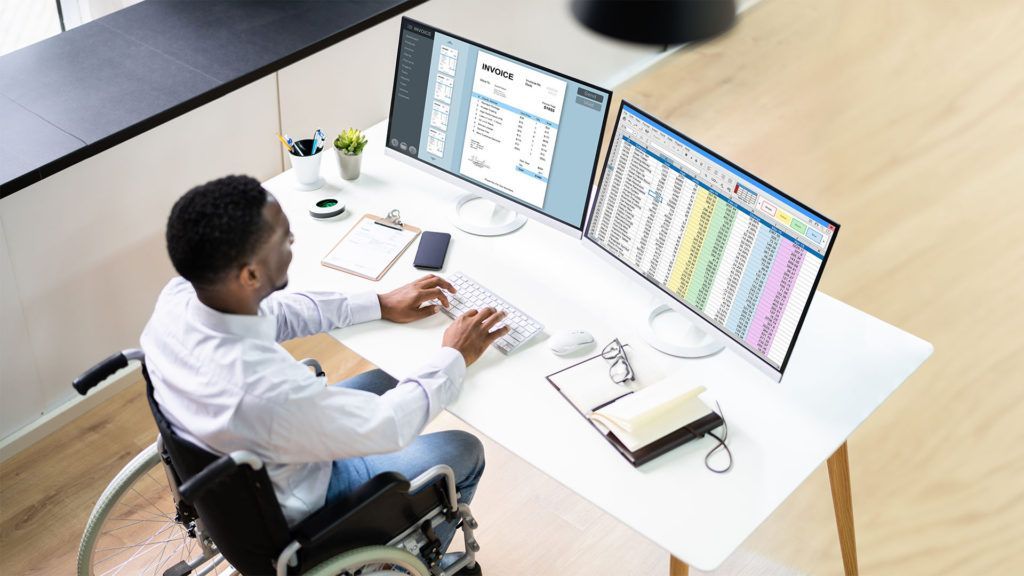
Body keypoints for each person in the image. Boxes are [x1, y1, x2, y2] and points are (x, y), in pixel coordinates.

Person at [140, 175, 507, 573]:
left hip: (247, 472)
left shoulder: (179, 300)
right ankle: (409, 562)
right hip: (310, 502)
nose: (292, 240)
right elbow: (387, 427)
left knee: (392, 376)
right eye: (283, 237)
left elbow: (277, 311)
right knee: (464, 450)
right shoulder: (263, 390)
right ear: (248, 275)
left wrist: (378, 302)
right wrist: (455, 354)